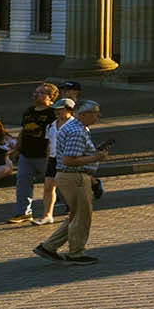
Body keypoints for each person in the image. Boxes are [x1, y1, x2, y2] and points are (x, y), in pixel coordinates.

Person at [34, 100, 106, 266]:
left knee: (76, 215)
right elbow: (69, 160)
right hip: (74, 177)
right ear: (83, 115)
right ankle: (76, 253)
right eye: (95, 112)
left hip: (71, 176)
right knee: (82, 216)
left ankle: (48, 247)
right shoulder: (76, 131)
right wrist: (96, 157)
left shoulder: (76, 128)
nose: (98, 115)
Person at [8, 82, 58, 224]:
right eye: (36, 92)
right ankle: (23, 213)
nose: (37, 95)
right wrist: (17, 149)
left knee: (55, 183)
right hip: (26, 154)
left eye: (42, 93)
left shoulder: (52, 113)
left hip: (44, 155)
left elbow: (53, 135)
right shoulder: (29, 111)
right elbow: (24, 131)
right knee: (23, 183)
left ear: (51, 97)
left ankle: (71, 205)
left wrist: (50, 156)